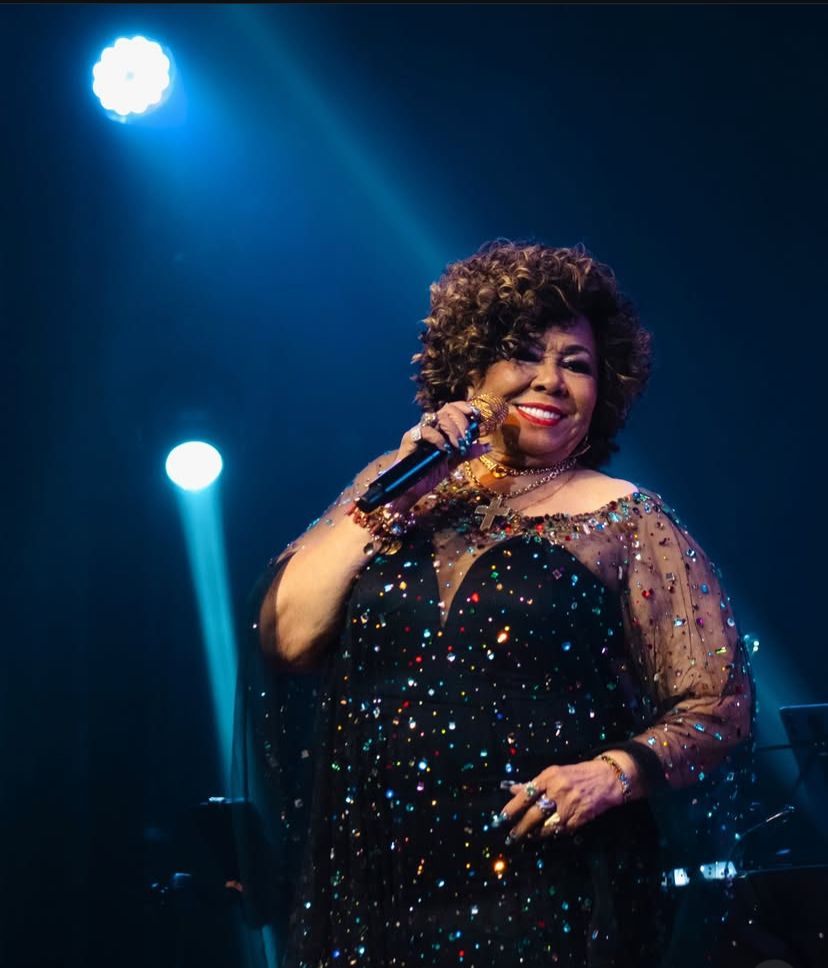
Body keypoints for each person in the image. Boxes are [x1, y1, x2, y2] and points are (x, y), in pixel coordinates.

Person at [240, 240, 754, 968]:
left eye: (577, 364)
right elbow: (287, 636)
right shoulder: (398, 486)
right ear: (471, 373)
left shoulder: (628, 520)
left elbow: (717, 703)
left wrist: (613, 773)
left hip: (546, 879)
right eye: (524, 355)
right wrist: (405, 489)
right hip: (379, 878)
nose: (550, 380)